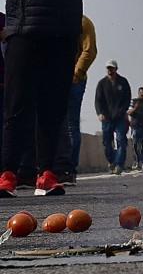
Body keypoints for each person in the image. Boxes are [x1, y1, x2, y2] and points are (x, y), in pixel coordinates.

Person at [0, 0, 98, 197]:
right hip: (24, 33)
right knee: (17, 107)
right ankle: (8, 174)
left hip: (62, 36)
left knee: (53, 109)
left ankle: (46, 174)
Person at [54, 14, 97, 185]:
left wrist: (76, 73)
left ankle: (69, 169)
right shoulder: (53, 19)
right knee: (55, 123)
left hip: (73, 80)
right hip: (54, 79)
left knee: (71, 124)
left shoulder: (83, 22)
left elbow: (89, 50)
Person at [95, 60, 131, 175]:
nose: (110, 71)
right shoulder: (102, 83)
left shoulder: (123, 82)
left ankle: (119, 164)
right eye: (108, 68)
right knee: (107, 141)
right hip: (107, 118)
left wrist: (123, 111)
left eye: (112, 68)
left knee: (121, 139)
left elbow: (127, 98)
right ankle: (111, 161)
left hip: (120, 117)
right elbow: (98, 100)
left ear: (116, 69)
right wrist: (100, 113)